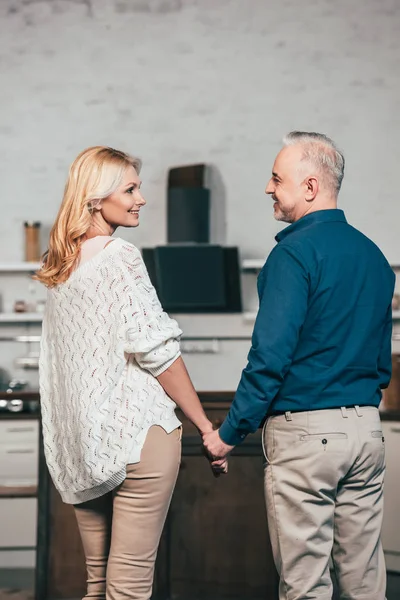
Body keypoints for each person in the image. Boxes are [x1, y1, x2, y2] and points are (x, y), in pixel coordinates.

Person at [203, 131, 395, 600]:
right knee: (365, 582)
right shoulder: (374, 257)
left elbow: (269, 358)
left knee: (306, 586)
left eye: (276, 178)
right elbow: (379, 359)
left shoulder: (292, 254)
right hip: (367, 432)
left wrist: (228, 434)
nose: (268, 188)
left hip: (307, 437)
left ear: (310, 186)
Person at [36, 146, 227, 600]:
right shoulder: (119, 256)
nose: (141, 198)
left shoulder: (60, 268)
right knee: (129, 589)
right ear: (96, 198)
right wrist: (205, 426)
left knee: (98, 585)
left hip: (85, 448)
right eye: (131, 189)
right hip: (139, 438)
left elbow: (57, 369)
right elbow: (158, 351)